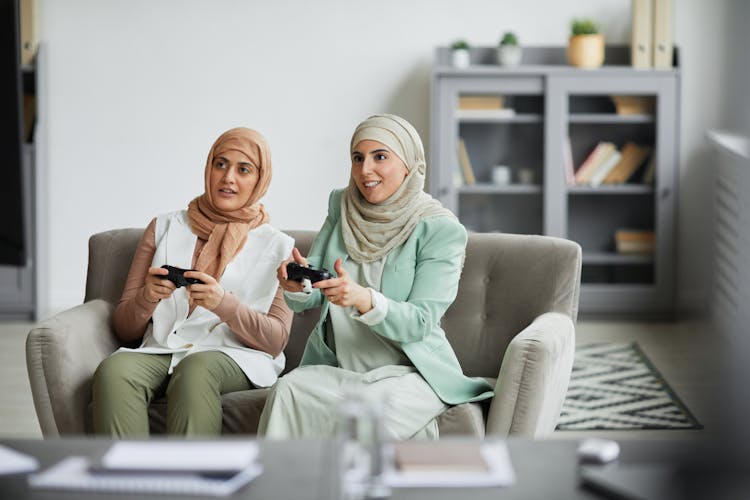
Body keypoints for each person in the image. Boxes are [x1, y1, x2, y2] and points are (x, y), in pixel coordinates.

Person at [257, 114, 493, 440]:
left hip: (410, 373)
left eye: (380, 156)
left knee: (366, 414)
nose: (365, 170)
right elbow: (317, 290)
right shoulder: (342, 206)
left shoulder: (440, 229)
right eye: (358, 158)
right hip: (343, 368)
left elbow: (421, 321)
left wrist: (364, 299)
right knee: (287, 391)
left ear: (408, 164)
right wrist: (297, 284)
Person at [92, 127, 294, 437]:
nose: (228, 177)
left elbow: (275, 340)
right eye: (220, 164)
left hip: (234, 356)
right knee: (114, 370)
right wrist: (148, 297)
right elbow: (124, 328)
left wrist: (222, 304)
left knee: (196, 369)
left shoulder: (280, 246)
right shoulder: (164, 227)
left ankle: (191, 483)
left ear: (260, 179)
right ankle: (129, 480)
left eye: (243, 170)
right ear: (208, 168)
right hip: (162, 349)